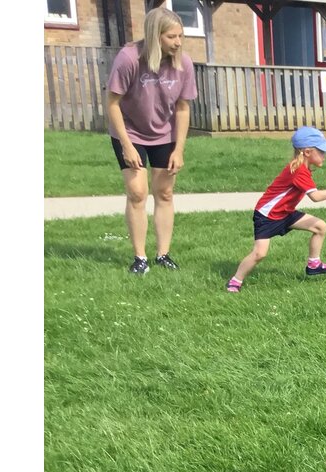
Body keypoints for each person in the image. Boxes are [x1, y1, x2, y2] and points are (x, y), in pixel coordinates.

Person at [105, 6, 196, 275]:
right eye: (171, 37)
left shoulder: (183, 63)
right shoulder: (129, 58)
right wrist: (126, 144)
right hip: (130, 131)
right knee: (137, 192)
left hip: (165, 133)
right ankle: (140, 258)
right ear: (156, 36)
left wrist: (179, 149)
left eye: (180, 36)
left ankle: (163, 255)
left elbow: (183, 108)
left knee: (165, 192)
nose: (178, 42)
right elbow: (112, 103)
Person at [225, 127, 326, 294]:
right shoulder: (299, 171)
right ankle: (235, 281)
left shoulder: (302, 168)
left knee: (320, 227)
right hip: (267, 216)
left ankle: (314, 264)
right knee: (259, 254)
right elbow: (316, 197)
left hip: (285, 213)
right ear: (307, 152)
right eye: (321, 151)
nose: (325, 155)